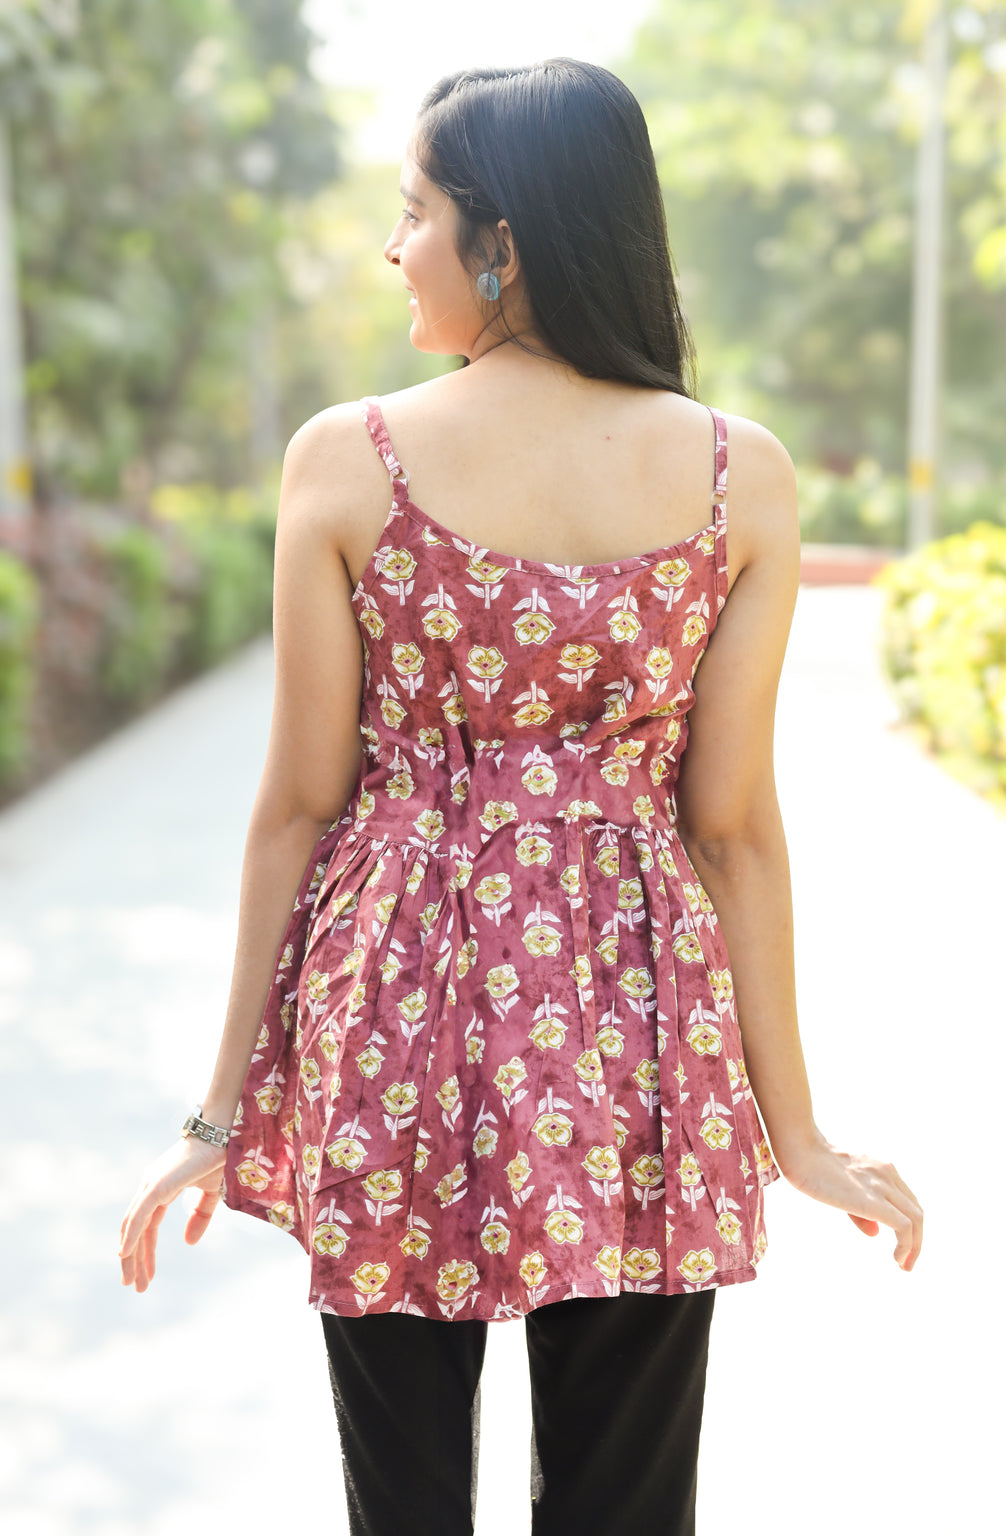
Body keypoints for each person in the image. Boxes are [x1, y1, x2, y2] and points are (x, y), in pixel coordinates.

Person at [119, 58, 923, 1536]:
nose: (392, 247)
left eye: (413, 212)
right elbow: (730, 823)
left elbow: (299, 807)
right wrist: (792, 1129)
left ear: (503, 243)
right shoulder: (742, 479)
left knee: (404, 1503)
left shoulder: (346, 463)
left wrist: (218, 1108)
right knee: (628, 1507)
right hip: (642, 1045)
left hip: (395, 1033)